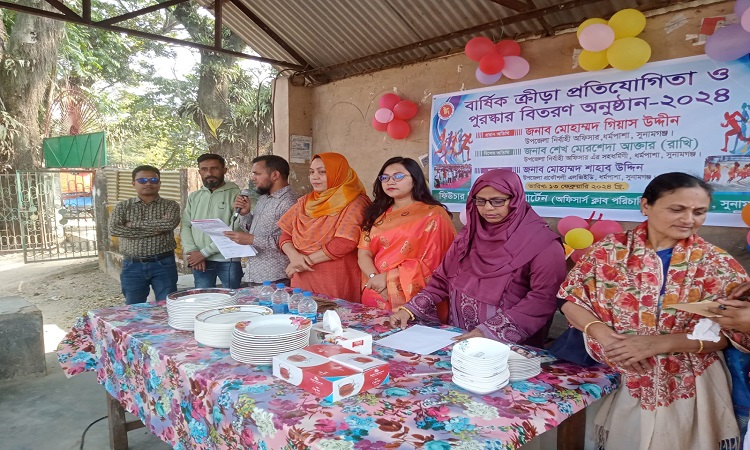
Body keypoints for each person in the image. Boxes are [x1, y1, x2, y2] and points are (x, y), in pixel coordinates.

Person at [558, 172, 750, 450]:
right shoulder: (609, 252)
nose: (689, 220)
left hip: (691, 382)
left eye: (699, 212)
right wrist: (607, 338)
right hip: (621, 371)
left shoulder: (716, 263)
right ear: (645, 205)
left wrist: (661, 342)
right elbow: (571, 300)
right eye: (677, 209)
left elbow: (733, 333)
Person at [389, 169, 566, 346]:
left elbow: (543, 298)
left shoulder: (543, 244)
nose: (488, 208)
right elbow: (442, 280)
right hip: (460, 339)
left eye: (498, 201)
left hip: (508, 347)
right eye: (480, 201)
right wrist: (409, 310)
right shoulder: (468, 236)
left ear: (516, 200)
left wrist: (489, 332)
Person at [358, 157, 456, 311]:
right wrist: (374, 279)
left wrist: (388, 279)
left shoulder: (433, 214)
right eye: (385, 177)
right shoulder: (375, 213)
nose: (390, 181)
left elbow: (439, 261)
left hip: (414, 297)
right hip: (375, 291)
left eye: (398, 176)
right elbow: (364, 253)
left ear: (415, 180)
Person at [277, 152, 370, 302]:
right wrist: (295, 258)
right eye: (312, 172)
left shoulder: (354, 202)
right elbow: (285, 234)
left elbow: (345, 242)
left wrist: (302, 263)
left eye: (322, 172)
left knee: (335, 319)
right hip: (302, 275)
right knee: (303, 318)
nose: (315, 177)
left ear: (338, 173)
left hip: (335, 277)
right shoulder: (305, 202)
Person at [109, 165, 181, 304]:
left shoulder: (170, 205)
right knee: (134, 306)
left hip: (163, 263)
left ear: (159, 183)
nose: (148, 183)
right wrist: (157, 227)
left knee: (167, 305)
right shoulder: (123, 206)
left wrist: (132, 224)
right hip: (132, 265)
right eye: (142, 180)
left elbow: (169, 225)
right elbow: (114, 229)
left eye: (153, 180)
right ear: (133, 183)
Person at [223, 155, 298, 286]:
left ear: (275, 175)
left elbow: (289, 240)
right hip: (254, 273)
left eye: (257, 174)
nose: (253, 178)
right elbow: (254, 229)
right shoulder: (264, 198)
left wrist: (251, 239)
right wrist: (245, 214)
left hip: (276, 277)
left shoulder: (290, 202)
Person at [180, 153, 243, 289]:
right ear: (199, 172)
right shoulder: (194, 197)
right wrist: (193, 252)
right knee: (204, 300)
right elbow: (185, 226)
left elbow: (235, 229)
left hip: (228, 260)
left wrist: (204, 253)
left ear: (224, 170)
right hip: (200, 260)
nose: (209, 173)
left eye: (214, 168)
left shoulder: (237, 195)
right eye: (204, 169)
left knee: (232, 300)